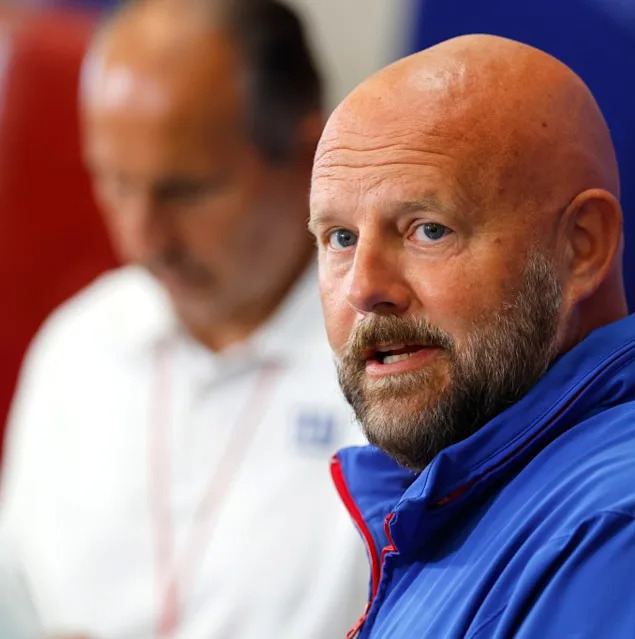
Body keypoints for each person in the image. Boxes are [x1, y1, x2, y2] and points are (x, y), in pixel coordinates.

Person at [310, 34, 635, 638]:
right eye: (340, 238)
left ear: (582, 247)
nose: (364, 288)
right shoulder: (494, 504)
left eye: (429, 229)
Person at [0, 0, 367, 637]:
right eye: (113, 182)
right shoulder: (77, 348)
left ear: (312, 155)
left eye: (184, 191)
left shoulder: (391, 370)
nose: (143, 239)